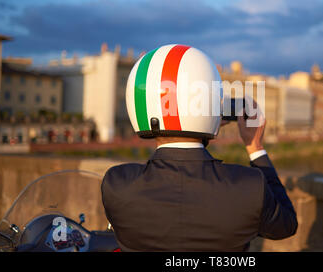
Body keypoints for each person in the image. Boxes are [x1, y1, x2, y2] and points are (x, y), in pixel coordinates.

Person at [101, 44, 297, 251]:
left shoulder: (117, 184)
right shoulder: (249, 186)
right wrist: (255, 147)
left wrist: (201, 124)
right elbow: (286, 226)